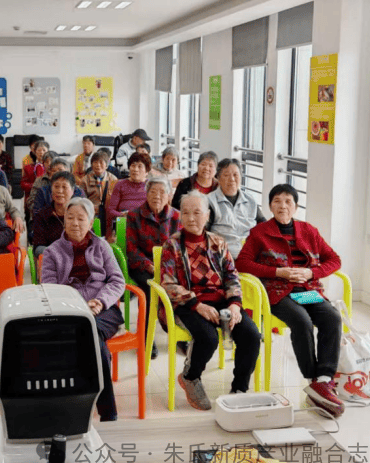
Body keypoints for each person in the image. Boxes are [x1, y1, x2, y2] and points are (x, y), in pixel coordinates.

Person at [236, 183, 344, 418]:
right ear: (270, 206)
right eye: (277, 201)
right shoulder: (259, 232)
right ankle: (312, 378)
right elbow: (242, 263)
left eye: (288, 201)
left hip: (306, 290)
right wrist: (278, 272)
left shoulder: (309, 231)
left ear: (295, 206)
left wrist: (311, 273)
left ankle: (323, 379)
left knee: (332, 318)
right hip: (277, 291)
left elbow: (334, 260)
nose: (282, 206)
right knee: (301, 321)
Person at [160, 191, 261, 410]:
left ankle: (239, 389)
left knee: (252, 336)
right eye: (186, 212)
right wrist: (197, 305)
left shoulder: (218, 242)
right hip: (188, 304)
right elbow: (168, 284)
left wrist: (235, 304)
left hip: (222, 301)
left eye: (197, 212)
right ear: (180, 215)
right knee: (207, 338)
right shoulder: (172, 245)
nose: (191, 218)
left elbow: (232, 276)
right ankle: (190, 377)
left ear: (207, 215)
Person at [41, 197, 125, 422]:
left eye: (81, 218)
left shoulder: (102, 246)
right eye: (70, 218)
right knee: (95, 342)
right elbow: (49, 289)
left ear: (90, 222)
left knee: (89, 332)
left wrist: (101, 301)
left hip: (104, 311)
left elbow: (117, 280)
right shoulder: (52, 252)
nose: (75, 223)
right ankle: (108, 413)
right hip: (69, 312)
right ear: (64, 221)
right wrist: (79, 306)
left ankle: (79, 407)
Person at [125, 176, 181, 359]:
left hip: (169, 266)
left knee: (183, 286)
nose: (157, 196)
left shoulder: (177, 217)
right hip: (142, 266)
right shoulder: (133, 215)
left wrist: (166, 268)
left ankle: (180, 331)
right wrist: (150, 266)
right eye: (153, 191)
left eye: (162, 192)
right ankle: (146, 336)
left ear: (169, 196)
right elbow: (131, 249)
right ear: (146, 194)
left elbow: (180, 247)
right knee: (150, 290)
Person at [208, 158, 265, 258]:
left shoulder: (250, 200)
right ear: (218, 178)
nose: (232, 179)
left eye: (235, 175)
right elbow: (202, 232)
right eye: (226, 175)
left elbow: (264, 225)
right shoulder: (210, 201)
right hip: (224, 257)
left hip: (252, 255)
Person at [105, 152, 151, 239]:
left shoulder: (151, 186)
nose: (135, 169)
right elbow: (110, 210)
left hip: (145, 223)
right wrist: (123, 215)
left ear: (147, 171)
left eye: (140, 166)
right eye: (133, 165)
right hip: (124, 223)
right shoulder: (120, 184)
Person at [32, 171, 77, 255]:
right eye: (56, 186)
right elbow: (38, 248)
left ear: (72, 191)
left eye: (64, 187)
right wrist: (59, 254)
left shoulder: (80, 214)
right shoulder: (42, 215)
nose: (60, 191)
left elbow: (89, 241)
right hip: (52, 259)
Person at [81, 148, 118, 226]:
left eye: (101, 162)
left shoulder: (113, 179)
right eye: (95, 162)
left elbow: (116, 200)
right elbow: (82, 200)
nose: (98, 165)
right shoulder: (85, 180)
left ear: (106, 165)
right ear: (91, 165)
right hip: (91, 213)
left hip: (108, 213)